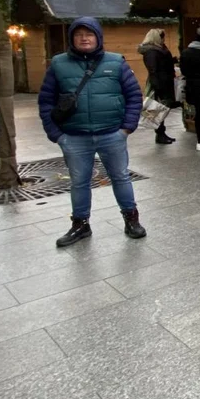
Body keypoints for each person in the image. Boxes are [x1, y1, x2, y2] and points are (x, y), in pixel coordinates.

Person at [37, 17, 146, 247]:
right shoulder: (58, 64)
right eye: (79, 34)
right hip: (74, 137)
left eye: (89, 34)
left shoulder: (116, 62)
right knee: (79, 182)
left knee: (120, 177)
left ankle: (131, 219)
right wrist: (57, 136)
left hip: (112, 134)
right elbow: (46, 101)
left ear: (98, 38)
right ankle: (80, 225)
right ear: (72, 38)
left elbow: (134, 95)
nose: (84, 38)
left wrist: (126, 128)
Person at [138, 28, 177, 144]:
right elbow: (153, 70)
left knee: (161, 109)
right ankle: (160, 134)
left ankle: (161, 134)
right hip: (160, 83)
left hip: (163, 81)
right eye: (162, 37)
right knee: (158, 109)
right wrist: (157, 87)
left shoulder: (157, 50)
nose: (164, 39)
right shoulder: (152, 52)